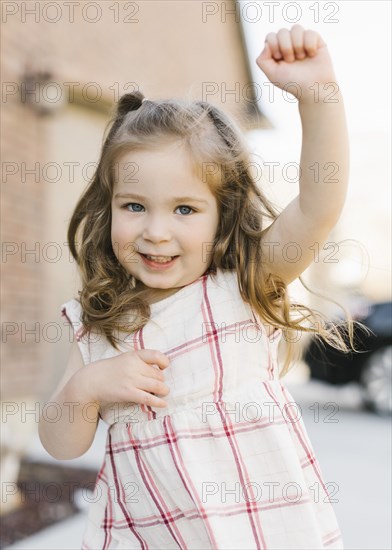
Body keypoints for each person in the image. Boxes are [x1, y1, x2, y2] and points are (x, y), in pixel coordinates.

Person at [39, 25, 360, 549]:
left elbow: (318, 205)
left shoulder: (246, 285)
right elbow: (61, 443)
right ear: (110, 206)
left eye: (185, 209)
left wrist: (318, 95)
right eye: (134, 206)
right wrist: (87, 387)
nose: (156, 231)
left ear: (222, 217)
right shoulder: (102, 322)